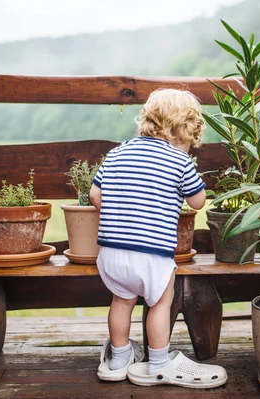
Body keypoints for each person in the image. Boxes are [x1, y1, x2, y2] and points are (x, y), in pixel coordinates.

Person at [89, 88, 227, 388]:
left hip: (112, 254)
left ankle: (118, 360)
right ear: (186, 131)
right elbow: (198, 202)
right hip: (152, 256)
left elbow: (95, 194)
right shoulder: (180, 162)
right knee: (160, 303)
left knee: (121, 302)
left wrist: (120, 212)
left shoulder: (118, 152)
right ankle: (159, 363)